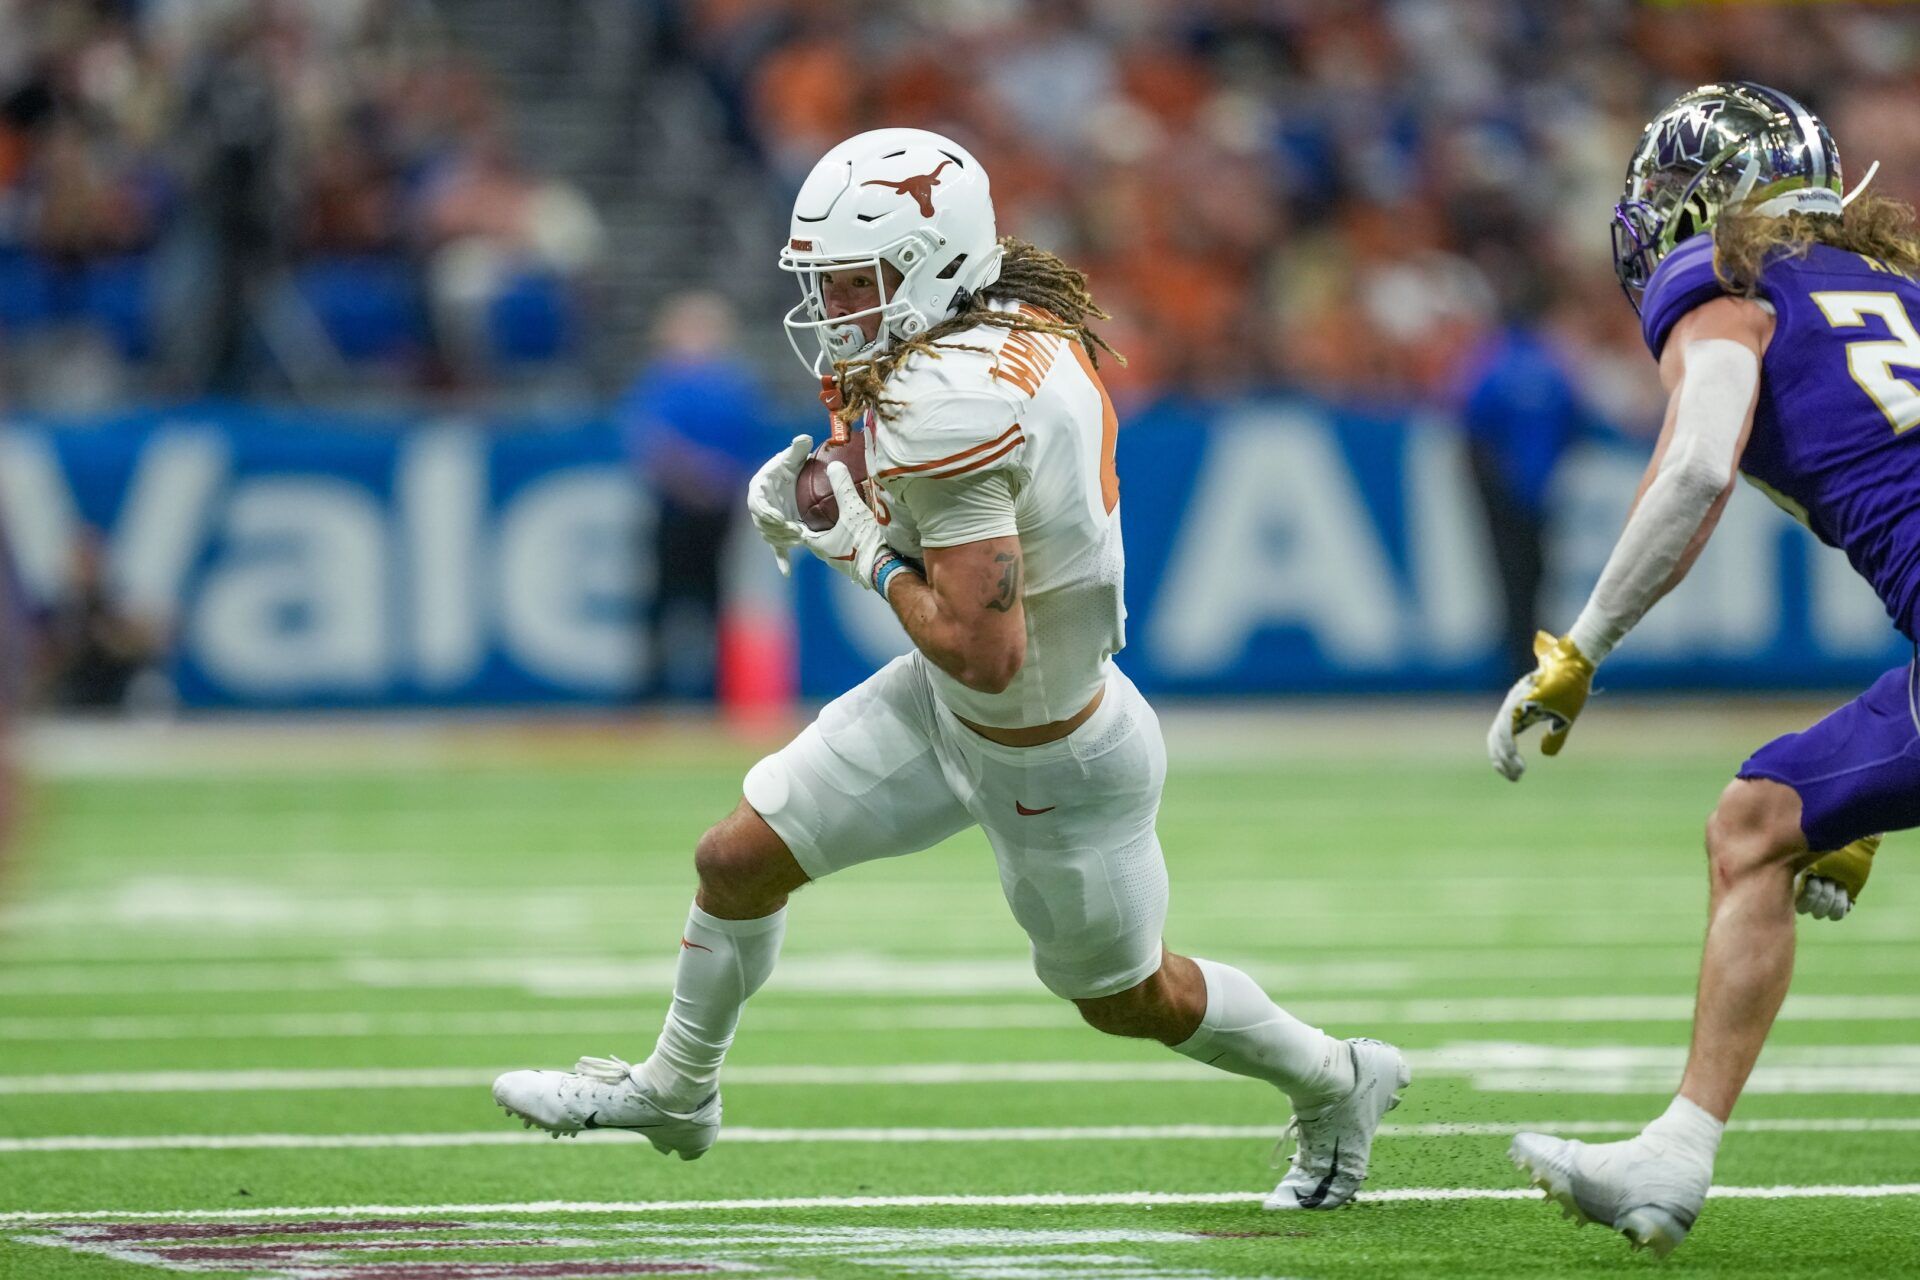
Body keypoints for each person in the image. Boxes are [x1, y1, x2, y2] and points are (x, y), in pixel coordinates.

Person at [494, 127, 1410, 1211]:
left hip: (1049, 753)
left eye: (854, 280)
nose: (833, 309)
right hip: (951, 715)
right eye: (824, 282)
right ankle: (678, 1089)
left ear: (931, 262)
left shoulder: (958, 402)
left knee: (1130, 997)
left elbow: (985, 646)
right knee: (736, 858)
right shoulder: (1000, 316)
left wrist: (856, 546)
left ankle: (1336, 1076)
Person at [1488, 82, 1908, 1255]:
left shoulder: (1726, 282)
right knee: (1766, 813)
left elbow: (1690, 473)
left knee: (1754, 825)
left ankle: (1675, 1152)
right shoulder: (1901, 283)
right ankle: (1670, 1157)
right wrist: (1869, 794)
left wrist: (1579, 649)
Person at [617, 292, 771, 700]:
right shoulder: (666, 381)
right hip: (676, 509)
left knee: (714, 599)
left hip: (717, 511)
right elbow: (653, 444)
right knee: (664, 598)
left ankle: (714, 691)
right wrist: (697, 476)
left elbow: (749, 446)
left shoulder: (731, 383)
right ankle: (653, 689)